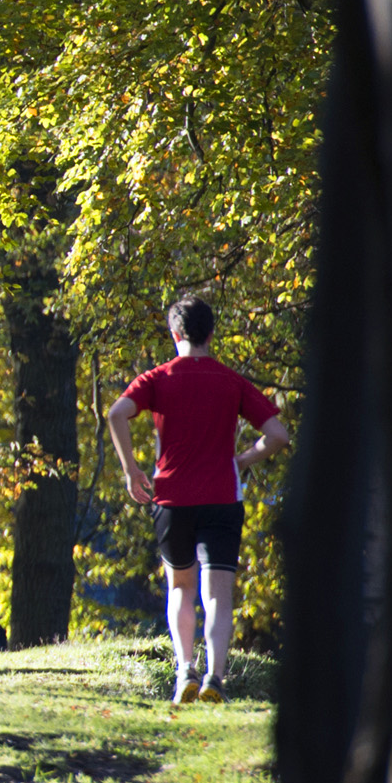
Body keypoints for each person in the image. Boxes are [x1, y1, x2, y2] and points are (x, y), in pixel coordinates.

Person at [103, 295, 291, 703]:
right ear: (211, 334)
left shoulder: (157, 378)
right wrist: (243, 459)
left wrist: (132, 470)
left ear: (175, 335)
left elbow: (116, 414)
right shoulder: (231, 381)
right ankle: (214, 678)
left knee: (180, 588)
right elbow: (278, 435)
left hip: (171, 498)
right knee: (217, 594)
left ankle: (184, 670)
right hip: (222, 496)